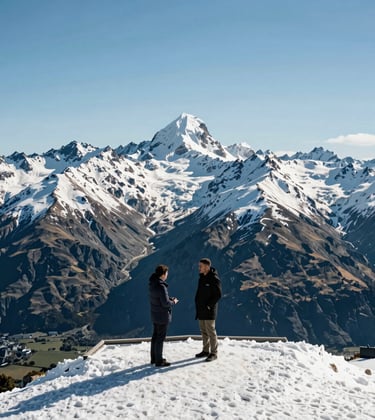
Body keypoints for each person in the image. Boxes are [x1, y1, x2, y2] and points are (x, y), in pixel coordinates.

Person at [149, 264, 178, 367]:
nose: (167, 275)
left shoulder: (153, 284)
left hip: (155, 314)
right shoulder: (161, 287)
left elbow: (159, 299)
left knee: (155, 336)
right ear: (163, 274)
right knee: (160, 338)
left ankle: (153, 358)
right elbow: (165, 303)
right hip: (162, 315)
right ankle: (159, 360)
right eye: (166, 273)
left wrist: (168, 299)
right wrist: (173, 301)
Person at [194, 258, 222, 362]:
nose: (199, 268)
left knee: (211, 331)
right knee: (203, 331)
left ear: (207, 267)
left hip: (209, 310)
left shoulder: (214, 279)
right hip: (201, 309)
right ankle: (205, 350)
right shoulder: (202, 278)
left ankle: (214, 353)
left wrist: (209, 305)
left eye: (200, 266)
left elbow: (218, 294)